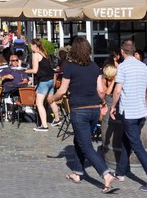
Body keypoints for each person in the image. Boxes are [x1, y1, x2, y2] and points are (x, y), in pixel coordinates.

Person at [48, 37, 116, 193]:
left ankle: (105, 174)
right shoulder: (94, 67)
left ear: (74, 50)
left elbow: (63, 91)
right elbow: (100, 90)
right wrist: (103, 103)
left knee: (86, 145)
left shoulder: (70, 67)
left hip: (80, 110)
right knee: (79, 140)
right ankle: (78, 173)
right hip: (94, 110)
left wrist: (51, 98)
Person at [110, 39, 147, 192]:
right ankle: (120, 172)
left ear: (122, 51)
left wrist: (113, 106)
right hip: (140, 112)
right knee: (127, 140)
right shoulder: (143, 67)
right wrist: (145, 104)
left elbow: (117, 91)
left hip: (129, 113)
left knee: (136, 146)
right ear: (134, 51)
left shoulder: (123, 68)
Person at [24, 39, 61, 131]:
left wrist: (24, 71)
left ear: (34, 46)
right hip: (51, 79)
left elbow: (35, 70)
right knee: (50, 99)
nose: (30, 48)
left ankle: (44, 125)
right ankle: (57, 119)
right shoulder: (44, 54)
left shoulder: (35, 55)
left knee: (39, 103)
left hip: (44, 81)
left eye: (31, 46)